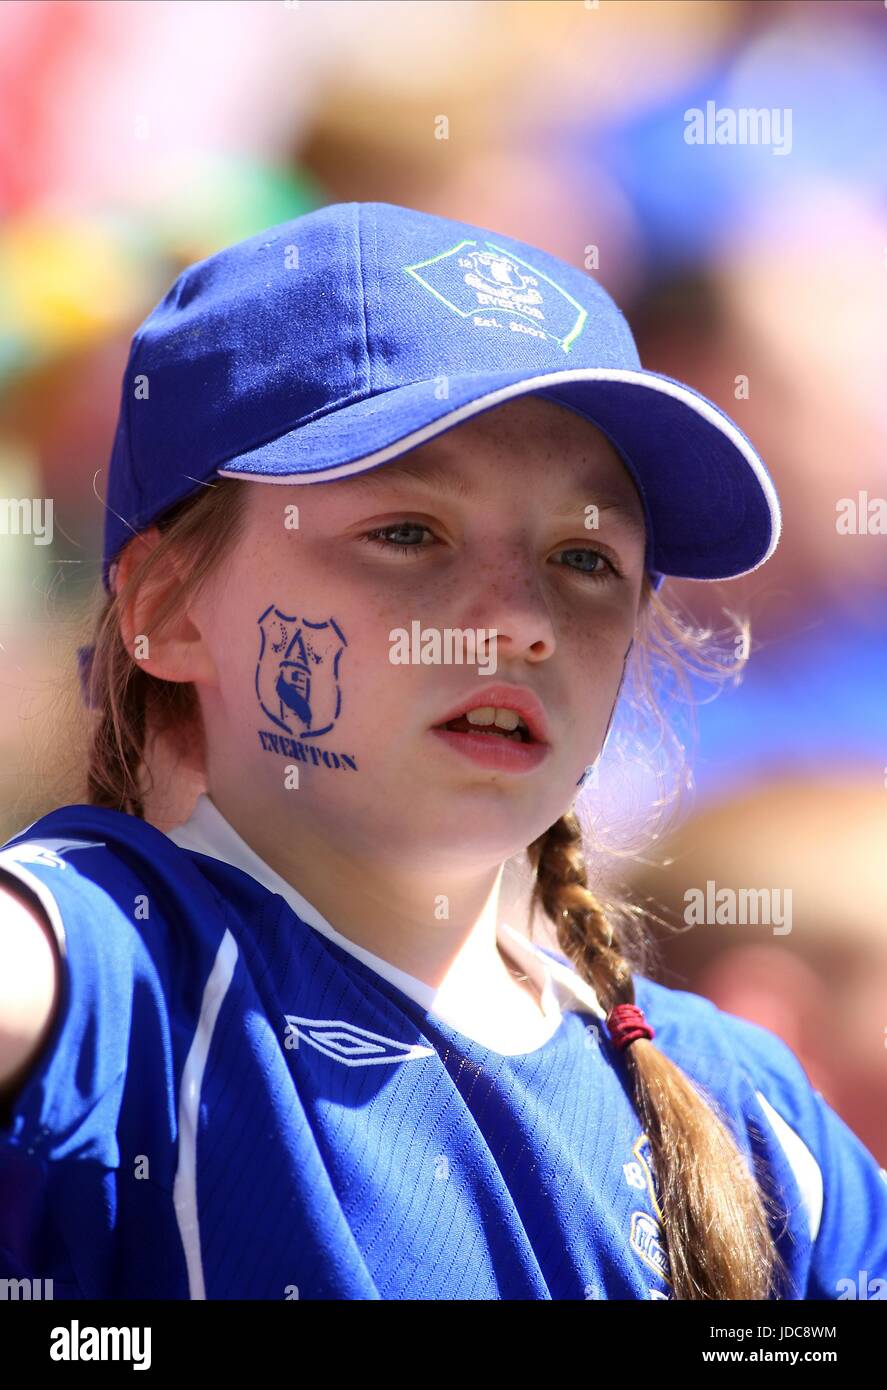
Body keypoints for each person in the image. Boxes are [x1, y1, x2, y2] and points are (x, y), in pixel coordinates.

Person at [0, 202, 884, 1301]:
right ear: (168, 607)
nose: (520, 620)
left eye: (583, 556)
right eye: (408, 533)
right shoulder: (112, 966)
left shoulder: (751, 1117)